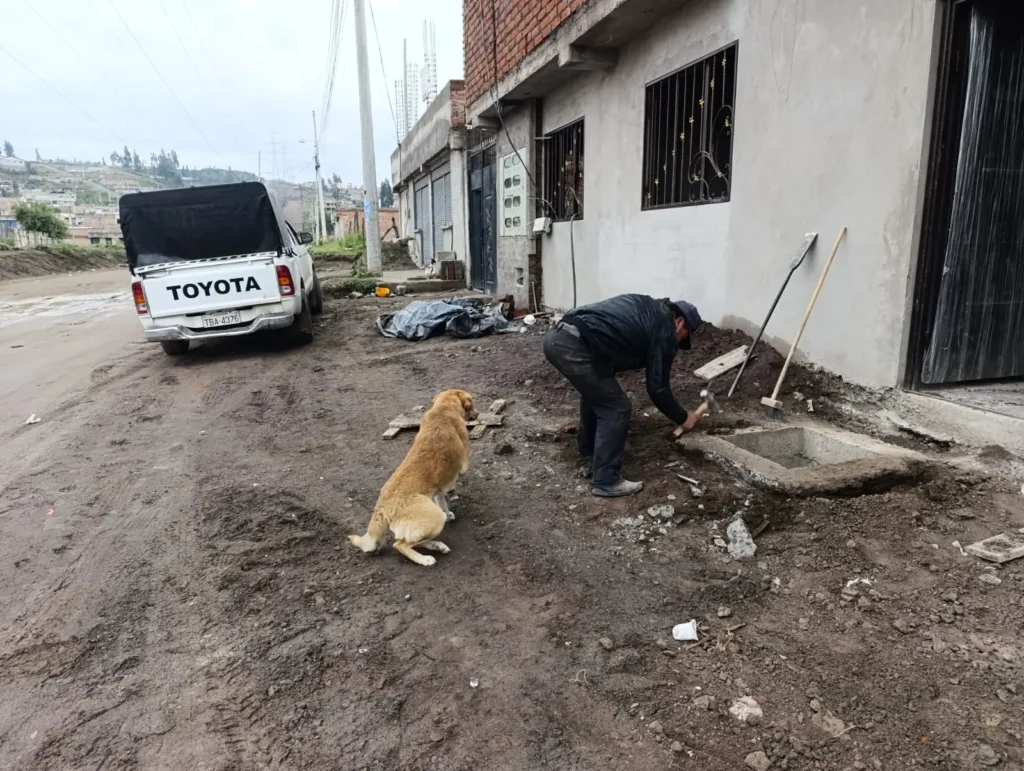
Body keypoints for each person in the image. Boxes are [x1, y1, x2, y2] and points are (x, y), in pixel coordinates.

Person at [542, 294, 703, 498]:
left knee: (598, 395)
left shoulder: (650, 310)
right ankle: (606, 480)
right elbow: (658, 389)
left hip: (558, 338)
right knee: (617, 407)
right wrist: (683, 417)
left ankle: (588, 450)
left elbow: (617, 340)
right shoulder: (664, 328)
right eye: (683, 338)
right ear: (679, 322)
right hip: (575, 346)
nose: (678, 344)